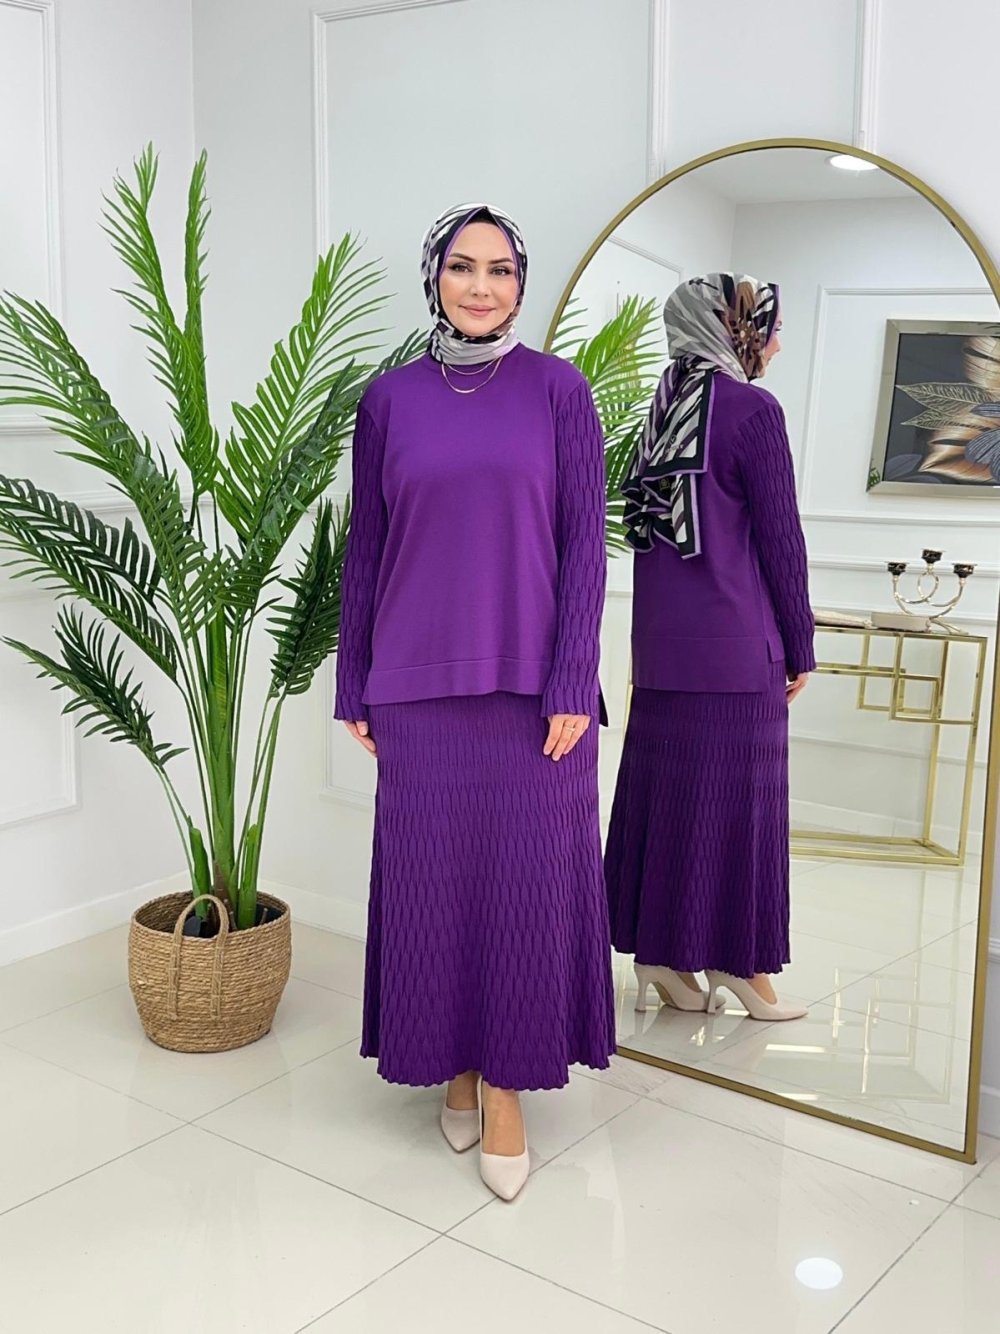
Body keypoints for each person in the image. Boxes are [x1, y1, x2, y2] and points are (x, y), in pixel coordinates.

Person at [334, 202, 616, 1201]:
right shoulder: (389, 400)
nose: (483, 286)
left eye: (501, 269)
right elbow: (367, 547)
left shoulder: (558, 390)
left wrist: (572, 676)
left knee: (525, 895)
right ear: (435, 277)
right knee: (434, 891)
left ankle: (504, 1088)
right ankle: (452, 1061)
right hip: (416, 688)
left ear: (520, 284)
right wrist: (353, 679)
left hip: (537, 699)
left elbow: (586, 546)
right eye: (463, 266)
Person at [604, 272, 815, 1023]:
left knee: (670, 808)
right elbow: (781, 540)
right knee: (738, 815)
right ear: (735, 330)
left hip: (662, 657)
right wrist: (800, 644)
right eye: (769, 328)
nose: (777, 344)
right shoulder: (753, 410)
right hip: (737, 652)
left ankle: (661, 957)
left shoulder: (661, 413)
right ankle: (741, 966)